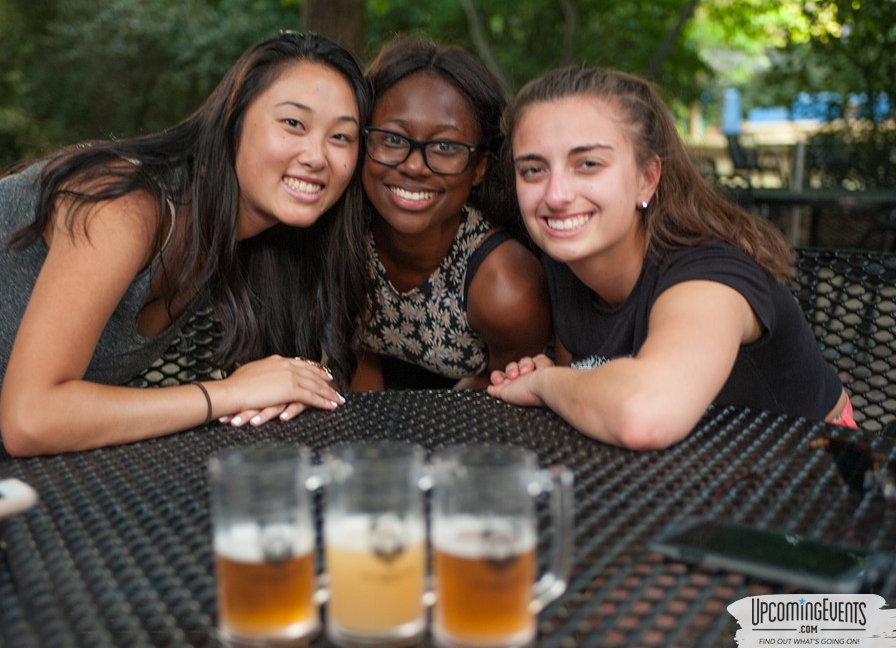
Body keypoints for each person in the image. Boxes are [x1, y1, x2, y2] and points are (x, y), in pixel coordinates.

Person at [0, 32, 371, 470]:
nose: (317, 155)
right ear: (232, 121)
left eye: (341, 137)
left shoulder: (253, 236)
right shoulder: (126, 205)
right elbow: (33, 417)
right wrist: (225, 393)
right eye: (293, 123)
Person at [487, 65, 856, 449]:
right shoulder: (567, 263)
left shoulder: (709, 276)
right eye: (532, 170)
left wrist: (544, 383)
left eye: (588, 164)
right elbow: (592, 395)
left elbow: (644, 415)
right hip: (689, 473)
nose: (556, 194)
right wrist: (562, 381)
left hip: (812, 472)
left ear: (647, 178)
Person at [350, 38, 550, 391]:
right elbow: (359, 359)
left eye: (445, 147)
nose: (414, 166)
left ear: (479, 168)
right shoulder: (343, 237)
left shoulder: (505, 286)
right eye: (393, 139)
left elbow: (507, 397)